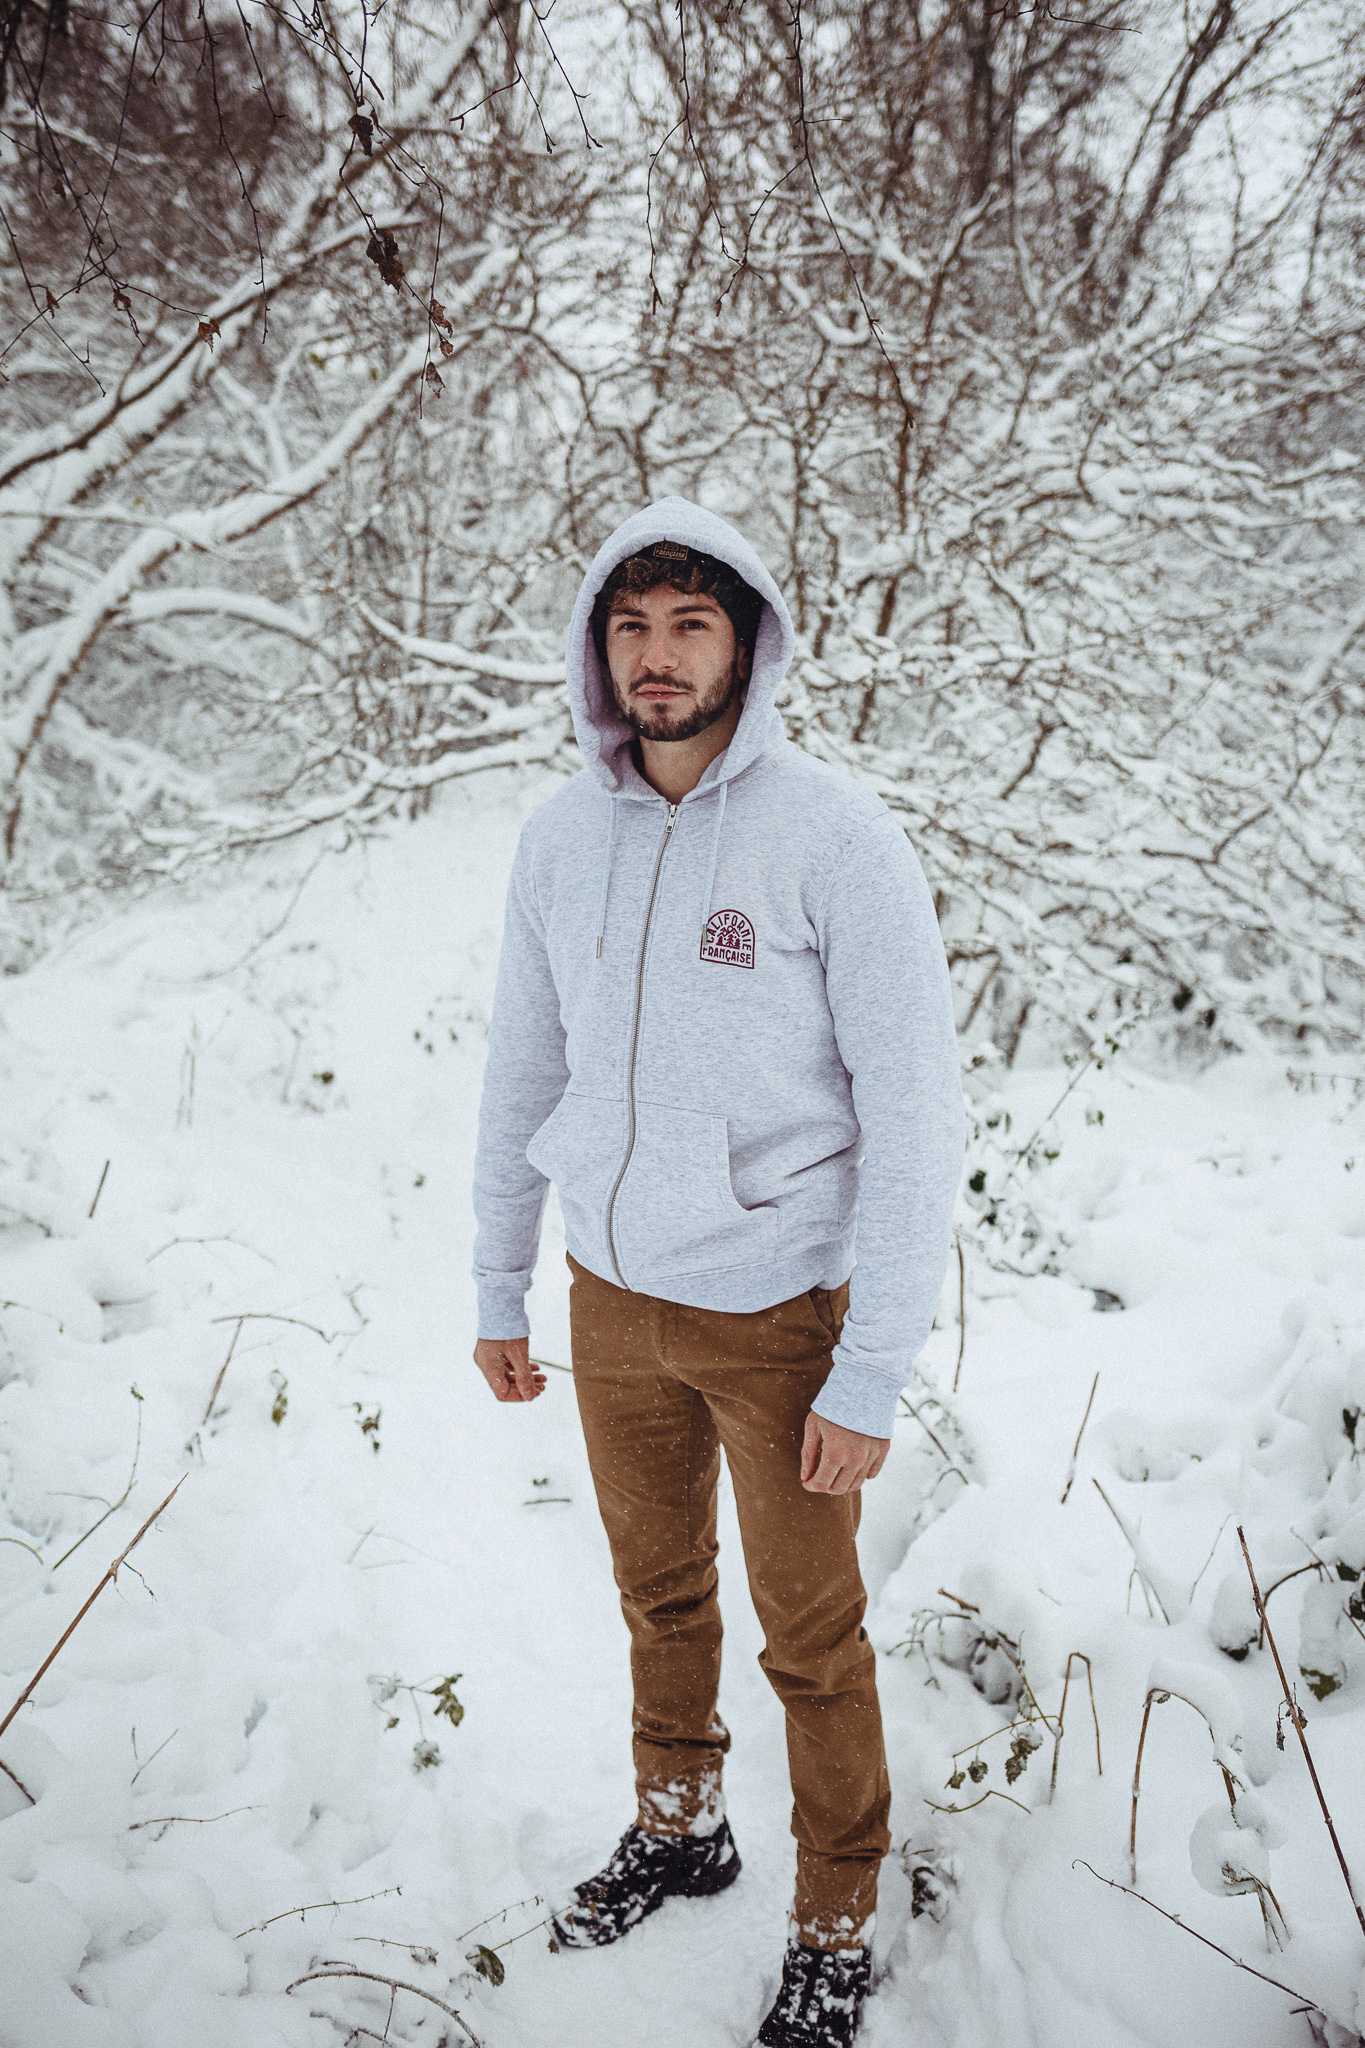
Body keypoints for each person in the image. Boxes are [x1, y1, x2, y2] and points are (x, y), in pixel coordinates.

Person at [471, 499, 963, 2047]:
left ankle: (833, 1919)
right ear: (596, 649)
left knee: (810, 1643)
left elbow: (914, 1115)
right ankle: (680, 1826)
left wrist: (868, 1370)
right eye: (630, 626)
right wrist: (498, 1283)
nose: (657, 656)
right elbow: (521, 1071)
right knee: (658, 1594)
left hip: (777, 1317)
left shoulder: (833, 839)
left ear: (747, 644)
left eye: (690, 625)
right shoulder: (560, 841)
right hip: (610, 1299)